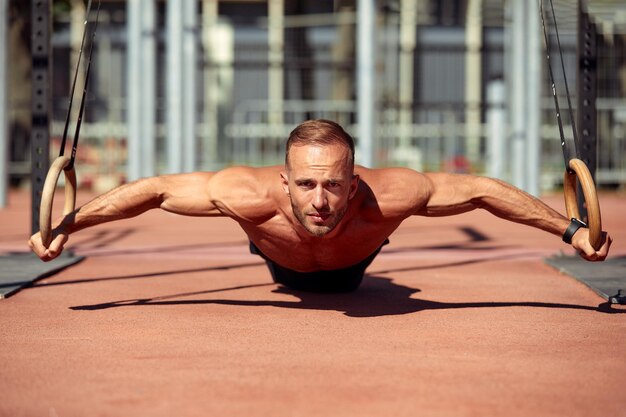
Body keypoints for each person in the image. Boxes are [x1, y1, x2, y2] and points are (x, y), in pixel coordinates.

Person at [29, 119, 612, 293]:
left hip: (356, 264)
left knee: (361, 230)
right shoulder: (247, 195)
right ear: (284, 180)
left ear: (353, 180)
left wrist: (573, 230)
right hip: (280, 259)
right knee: (272, 236)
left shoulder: (389, 194)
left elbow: (482, 189)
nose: (321, 199)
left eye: (334, 184)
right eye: (306, 185)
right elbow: (153, 189)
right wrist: (63, 225)